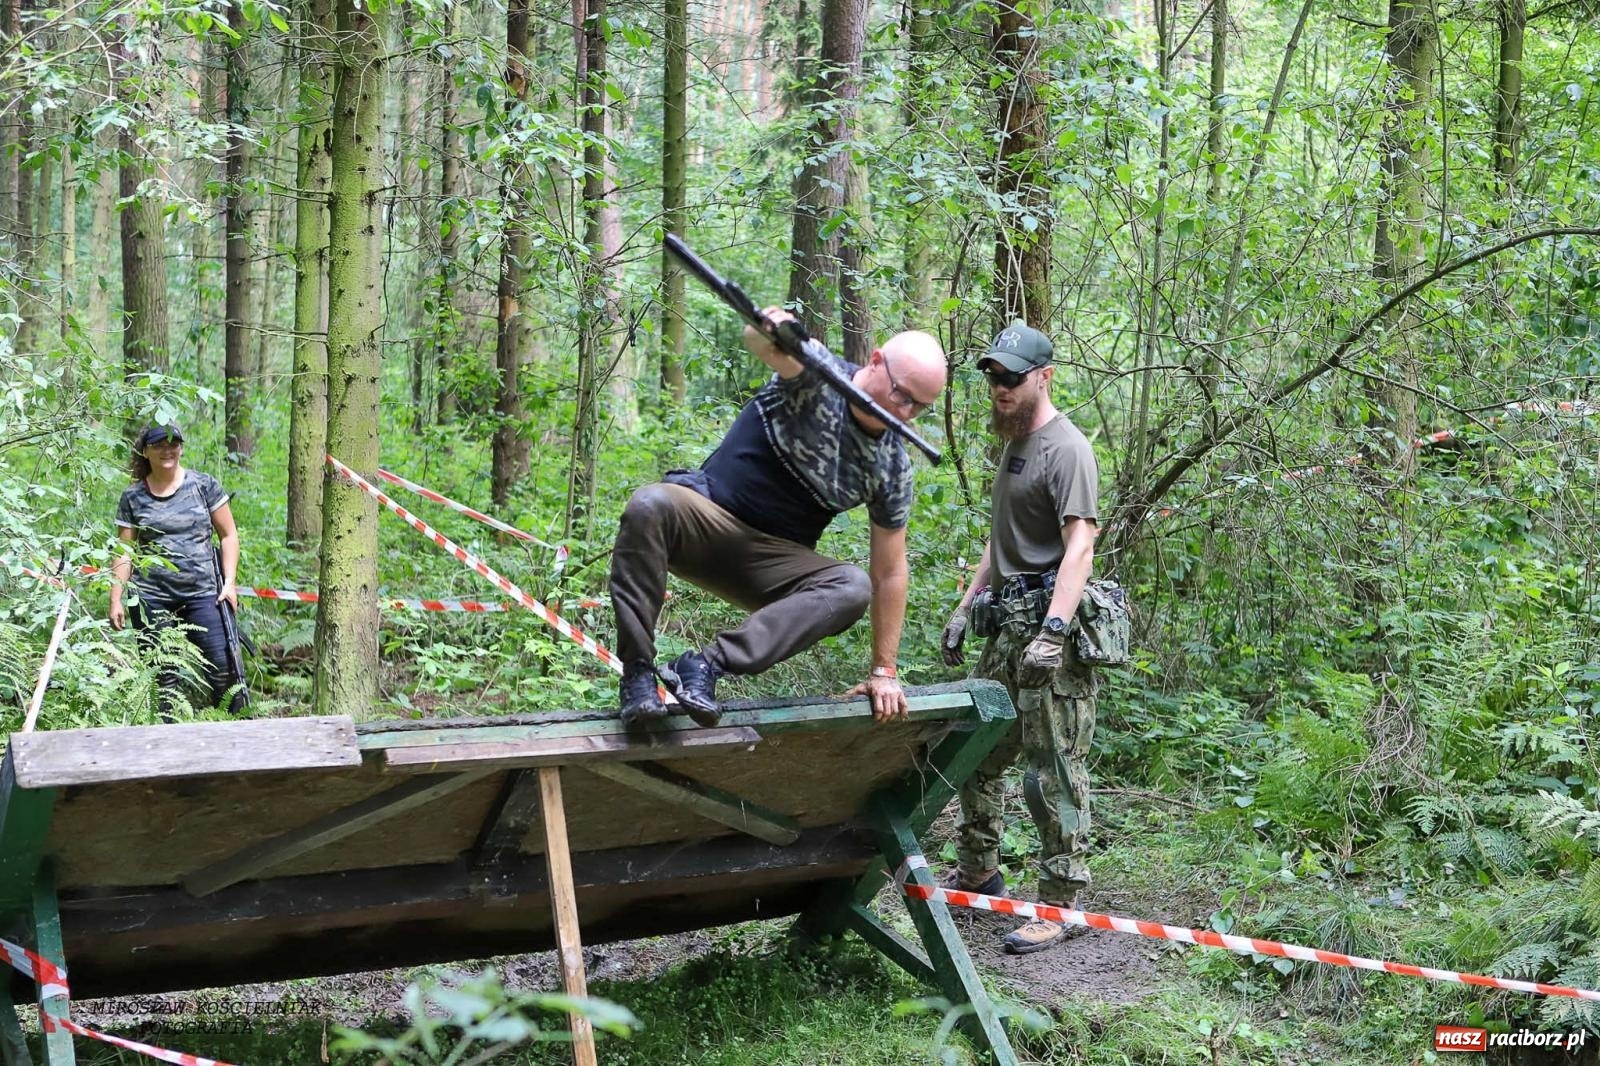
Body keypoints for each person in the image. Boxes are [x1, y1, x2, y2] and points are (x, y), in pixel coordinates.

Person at [610, 308, 947, 728]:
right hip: (706, 520)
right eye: (902, 394)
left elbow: (891, 571)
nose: (905, 412)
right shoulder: (817, 376)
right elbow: (761, 343)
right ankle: (638, 677)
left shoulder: (891, 466)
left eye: (920, 407)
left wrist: (885, 671)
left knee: (852, 587)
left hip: (772, 562)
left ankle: (703, 667)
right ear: (875, 361)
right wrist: (769, 326)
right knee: (650, 504)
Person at [939, 322, 1100, 955]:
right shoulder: (1014, 444)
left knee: (1051, 772)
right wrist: (966, 605)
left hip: (1047, 635)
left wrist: (1055, 631)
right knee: (972, 755)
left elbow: (1079, 545)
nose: (999, 388)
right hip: (1005, 628)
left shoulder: (1067, 450)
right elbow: (998, 542)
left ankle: (1059, 902)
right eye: (992, 377)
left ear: (1043, 377)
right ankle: (980, 869)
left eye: (1011, 378)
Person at [109, 425, 246, 715]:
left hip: (205, 593)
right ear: (146, 451)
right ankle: (169, 741)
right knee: (163, 679)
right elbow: (124, 550)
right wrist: (116, 598)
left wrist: (230, 583)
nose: (167, 450)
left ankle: (235, 734)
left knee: (224, 671)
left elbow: (229, 535)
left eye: (173, 443)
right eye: (159, 444)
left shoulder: (203, 485)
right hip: (151, 598)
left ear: (182, 448)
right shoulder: (133, 497)